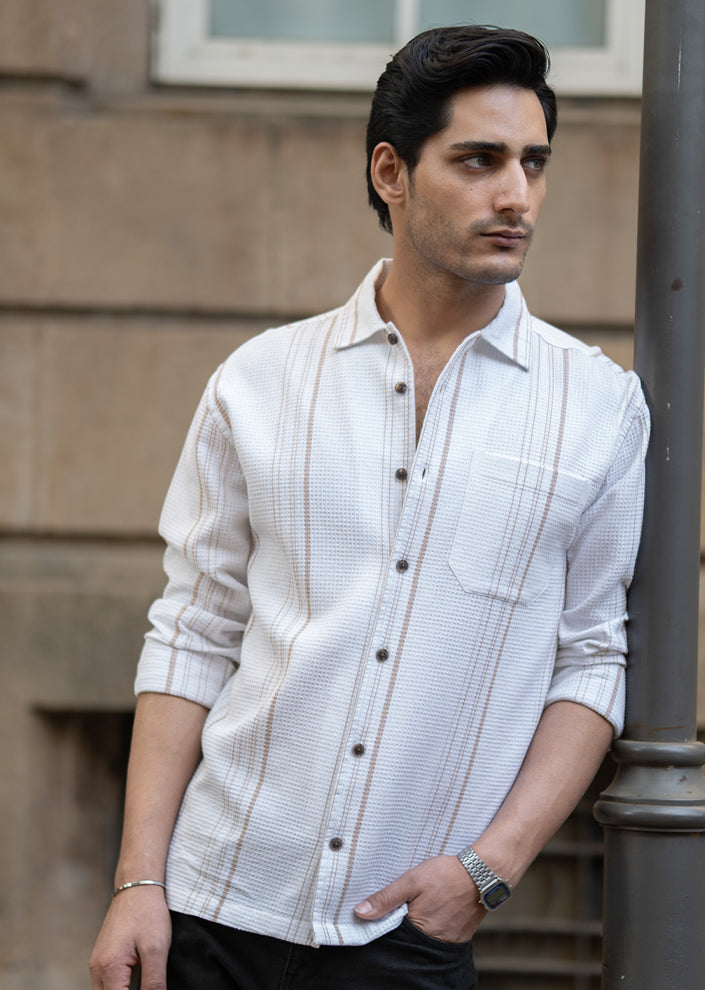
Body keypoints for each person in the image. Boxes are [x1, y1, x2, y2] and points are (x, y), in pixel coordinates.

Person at [90, 24, 649, 990]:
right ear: (392, 172)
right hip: (211, 907)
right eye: (478, 160)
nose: (515, 195)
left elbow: (593, 655)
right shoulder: (260, 381)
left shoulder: (597, 407)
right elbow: (193, 631)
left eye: (533, 163)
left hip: (406, 933)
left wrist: (491, 868)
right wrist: (139, 880)